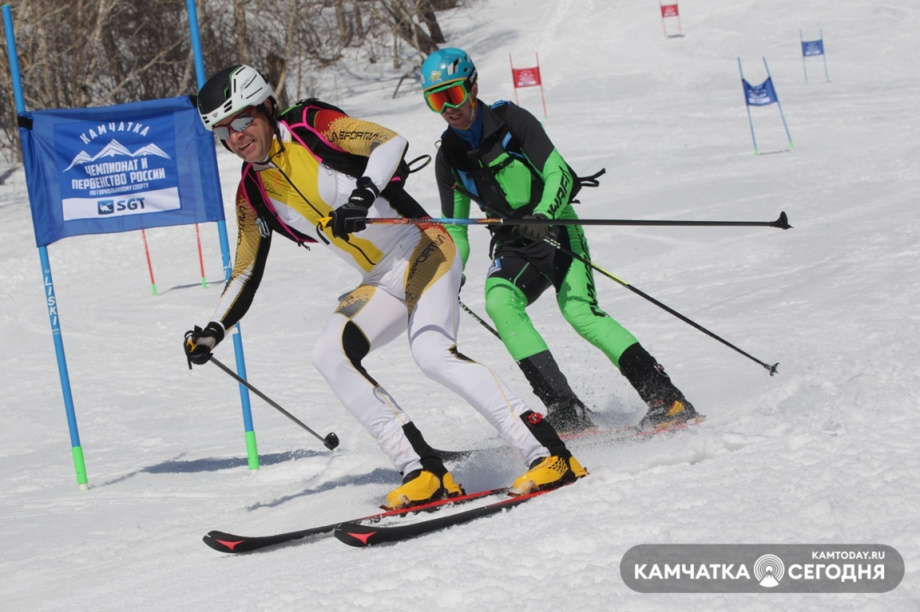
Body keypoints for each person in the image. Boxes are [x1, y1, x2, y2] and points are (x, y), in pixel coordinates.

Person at [183, 65, 586, 510]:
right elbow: (244, 270)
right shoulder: (252, 191)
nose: (236, 137)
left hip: (423, 245)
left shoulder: (310, 125)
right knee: (329, 354)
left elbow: (389, 141)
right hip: (379, 278)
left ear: (266, 108)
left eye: (242, 120)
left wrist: (362, 196)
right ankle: (423, 470)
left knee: (432, 354)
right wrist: (214, 329)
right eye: (223, 132)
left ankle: (549, 452)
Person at [420, 48, 699, 431]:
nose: (447, 108)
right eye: (435, 100)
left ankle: (667, 399)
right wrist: (450, 272)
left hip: (555, 227)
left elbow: (560, 173)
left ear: (472, 86)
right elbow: (455, 227)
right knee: (500, 303)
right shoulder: (449, 158)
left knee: (579, 312)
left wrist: (544, 215)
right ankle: (566, 408)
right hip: (512, 242)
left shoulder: (511, 120)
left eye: (451, 95)